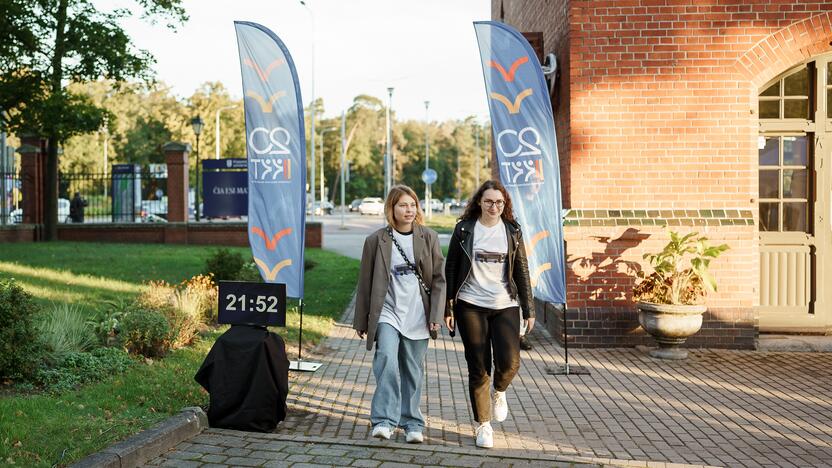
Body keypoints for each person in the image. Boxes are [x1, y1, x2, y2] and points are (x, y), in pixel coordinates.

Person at [444, 180, 535, 449]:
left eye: (499, 202)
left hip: (505, 303)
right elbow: (451, 268)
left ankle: (500, 391)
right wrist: (448, 306)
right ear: (479, 203)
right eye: (488, 201)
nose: (494, 207)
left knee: (510, 362)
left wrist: (528, 309)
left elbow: (522, 270)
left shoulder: (512, 231)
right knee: (478, 365)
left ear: (504, 205)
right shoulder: (464, 230)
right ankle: (483, 425)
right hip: (470, 304)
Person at [353, 184, 446, 444]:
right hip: (387, 313)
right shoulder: (375, 241)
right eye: (403, 205)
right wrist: (362, 320)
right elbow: (365, 282)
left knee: (413, 370)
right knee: (387, 360)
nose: (409, 210)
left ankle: (412, 423)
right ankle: (383, 420)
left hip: (418, 314)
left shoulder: (429, 237)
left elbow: (439, 280)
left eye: (412, 205)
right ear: (391, 209)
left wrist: (437, 313)